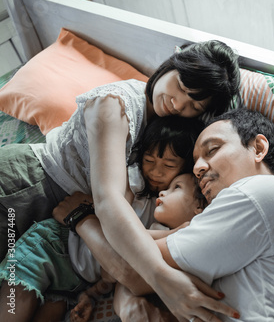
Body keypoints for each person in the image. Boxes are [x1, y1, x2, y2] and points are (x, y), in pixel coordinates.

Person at [0, 40, 241, 320]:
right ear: (174, 62)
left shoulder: (169, 129)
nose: (178, 103)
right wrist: (162, 279)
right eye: (182, 87)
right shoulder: (114, 105)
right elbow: (109, 201)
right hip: (26, 184)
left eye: (193, 105)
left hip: (59, 222)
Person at [126, 108, 274, 321]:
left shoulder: (257, 194)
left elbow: (131, 270)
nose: (197, 168)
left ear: (258, 148)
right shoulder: (257, 205)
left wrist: (92, 217)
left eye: (212, 150)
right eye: (195, 161)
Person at [0, 116, 204, 321]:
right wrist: (173, 235)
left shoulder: (162, 210)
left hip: (75, 280)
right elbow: (121, 230)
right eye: (149, 160)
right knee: (16, 301)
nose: (155, 171)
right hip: (52, 245)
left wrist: (90, 295)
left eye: (169, 165)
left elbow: (112, 273)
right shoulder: (135, 183)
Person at [69, 172, 208, 322]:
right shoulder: (157, 229)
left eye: (176, 187)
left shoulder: (186, 232)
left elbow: (126, 241)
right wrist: (90, 295)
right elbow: (113, 275)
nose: (162, 192)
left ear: (199, 207)